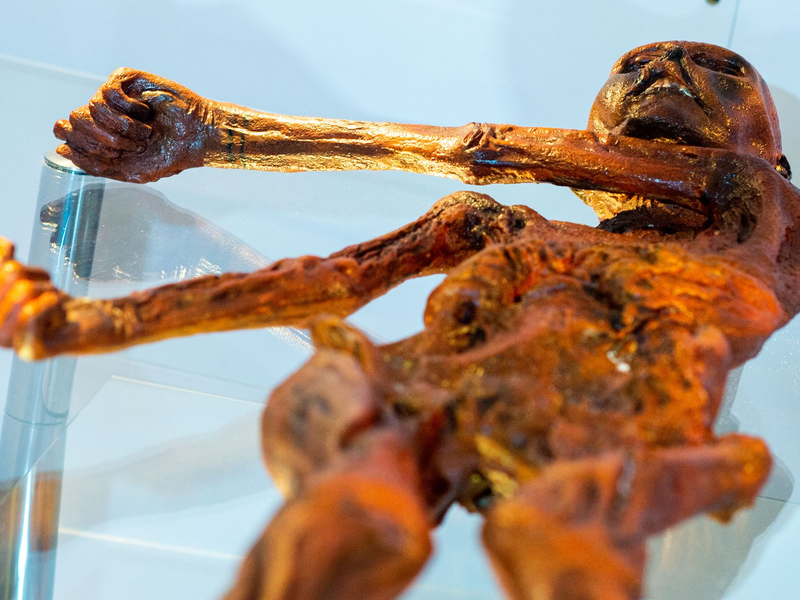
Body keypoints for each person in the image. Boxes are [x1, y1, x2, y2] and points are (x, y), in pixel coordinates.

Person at [1, 41, 798, 600]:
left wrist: (225, 134)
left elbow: (483, 147)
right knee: (351, 521)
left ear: (779, 158)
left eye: (722, 70)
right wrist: (86, 322)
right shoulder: (500, 227)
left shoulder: (764, 218)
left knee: (557, 534)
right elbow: (332, 283)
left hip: (606, 446)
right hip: (421, 402)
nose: (667, 71)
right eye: (635, 67)